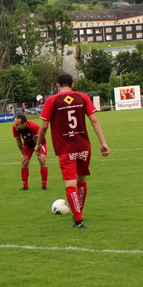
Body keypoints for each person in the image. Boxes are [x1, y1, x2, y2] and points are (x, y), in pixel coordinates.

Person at [34, 74, 109, 229]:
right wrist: (103, 143)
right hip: (83, 146)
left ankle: (78, 220)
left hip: (66, 148)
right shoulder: (83, 97)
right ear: (73, 85)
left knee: (70, 183)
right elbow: (94, 120)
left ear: (57, 84)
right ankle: (77, 212)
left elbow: (44, 126)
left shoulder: (52, 100)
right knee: (81, 181)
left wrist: (38, 145)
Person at [12, 114, 48, 191]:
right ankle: (25, 187)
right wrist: (24, 155)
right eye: (15, 124)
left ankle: (44, 186)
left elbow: (37, 141)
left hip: (40, 143)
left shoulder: (33, 126)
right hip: (28, 145)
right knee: (24, 162)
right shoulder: (15, 128)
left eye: (18, 125)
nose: (16, 126)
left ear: (24, 123)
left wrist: (40, 154)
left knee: (42, 161)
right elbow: (19, 142)